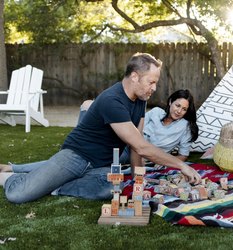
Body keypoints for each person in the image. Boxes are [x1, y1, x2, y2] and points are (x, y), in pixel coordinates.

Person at [0, 52, 201, 203]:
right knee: (18, 195)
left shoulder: (140, 98)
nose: (154, 88)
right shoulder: (112, 100)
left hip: (102, 164)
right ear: (134, 77)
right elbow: (142, 147)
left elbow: (134, 144)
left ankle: (52, 185)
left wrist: (139, 178)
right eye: (151, 82)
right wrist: (182, 165)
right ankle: (10, 177)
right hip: (76, 156)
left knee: (112, 188)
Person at [78, 89, 198, 164]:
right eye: (177, 105)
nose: (179, 111)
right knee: (87, 104)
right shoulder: (156, 112)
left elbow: (183, 155)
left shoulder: (185, 127)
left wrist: (164, 161)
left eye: (184, 109)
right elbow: (135, 127)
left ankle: (80, 150)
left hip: (135, 154)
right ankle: (81, 141)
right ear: (170, 102)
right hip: (127, 142)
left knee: (97, 155)